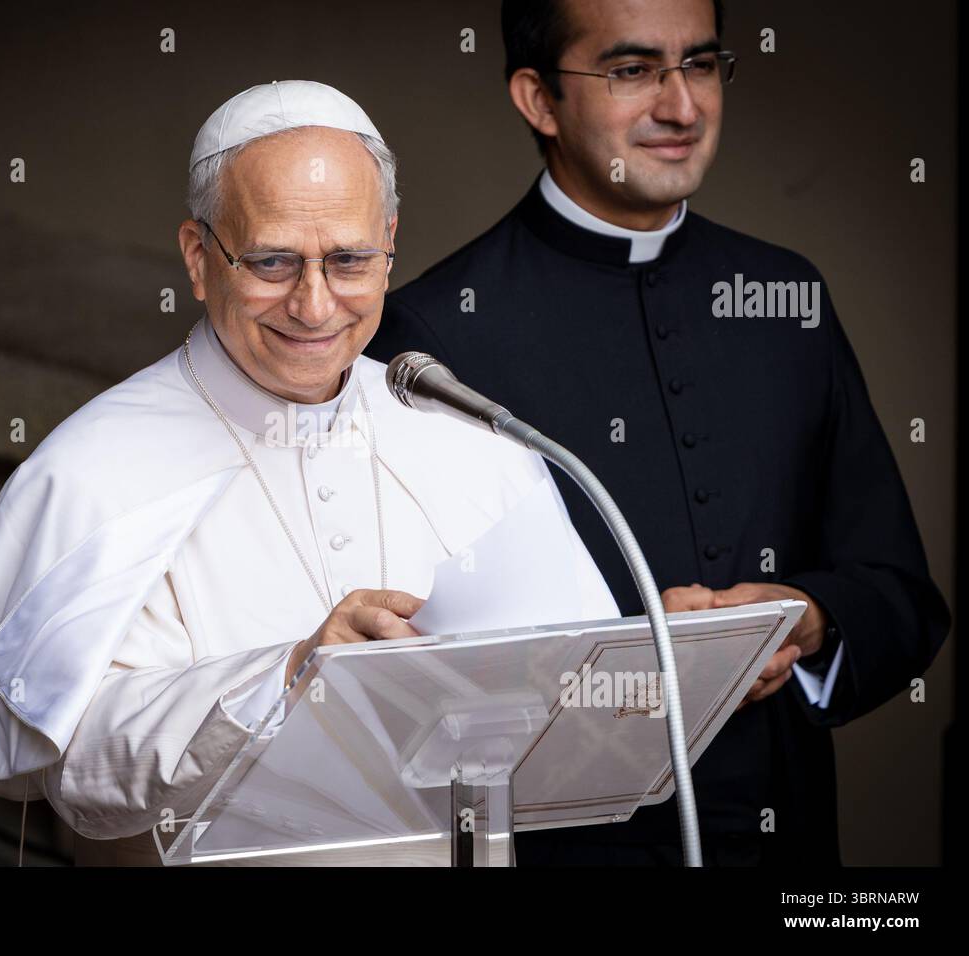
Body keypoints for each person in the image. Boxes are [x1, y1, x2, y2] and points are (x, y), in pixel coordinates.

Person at [0, 80, 620, 866]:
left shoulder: (467, 434)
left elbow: (574, 704)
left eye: (349, 260)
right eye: (272, 262)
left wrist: (664, 655)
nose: (314, 304)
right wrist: (293, 675)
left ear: (390, 243)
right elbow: (82, 768)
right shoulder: (91, 469)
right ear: (199, 260)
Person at [367, 0, 950, 865]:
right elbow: (401, 674)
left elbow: (901, 595)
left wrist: (810, 617)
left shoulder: (787, 298)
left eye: (703, 64)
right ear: (538, 98)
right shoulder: (432, 335)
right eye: (633, 71)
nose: (682, 107)